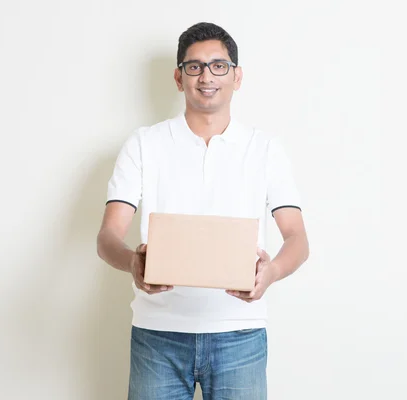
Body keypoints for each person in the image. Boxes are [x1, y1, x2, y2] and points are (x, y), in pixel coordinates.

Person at [96, 22, 309, 400]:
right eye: (194, 67)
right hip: (157, 334)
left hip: (240, 334)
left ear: (237, 76)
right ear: (178, 78)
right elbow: (108, 236)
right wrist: (132, 262)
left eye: (218, 66)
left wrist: (272, 272)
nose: (206, 76)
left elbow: (297, 237)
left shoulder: (265, 149)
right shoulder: (145, 144)